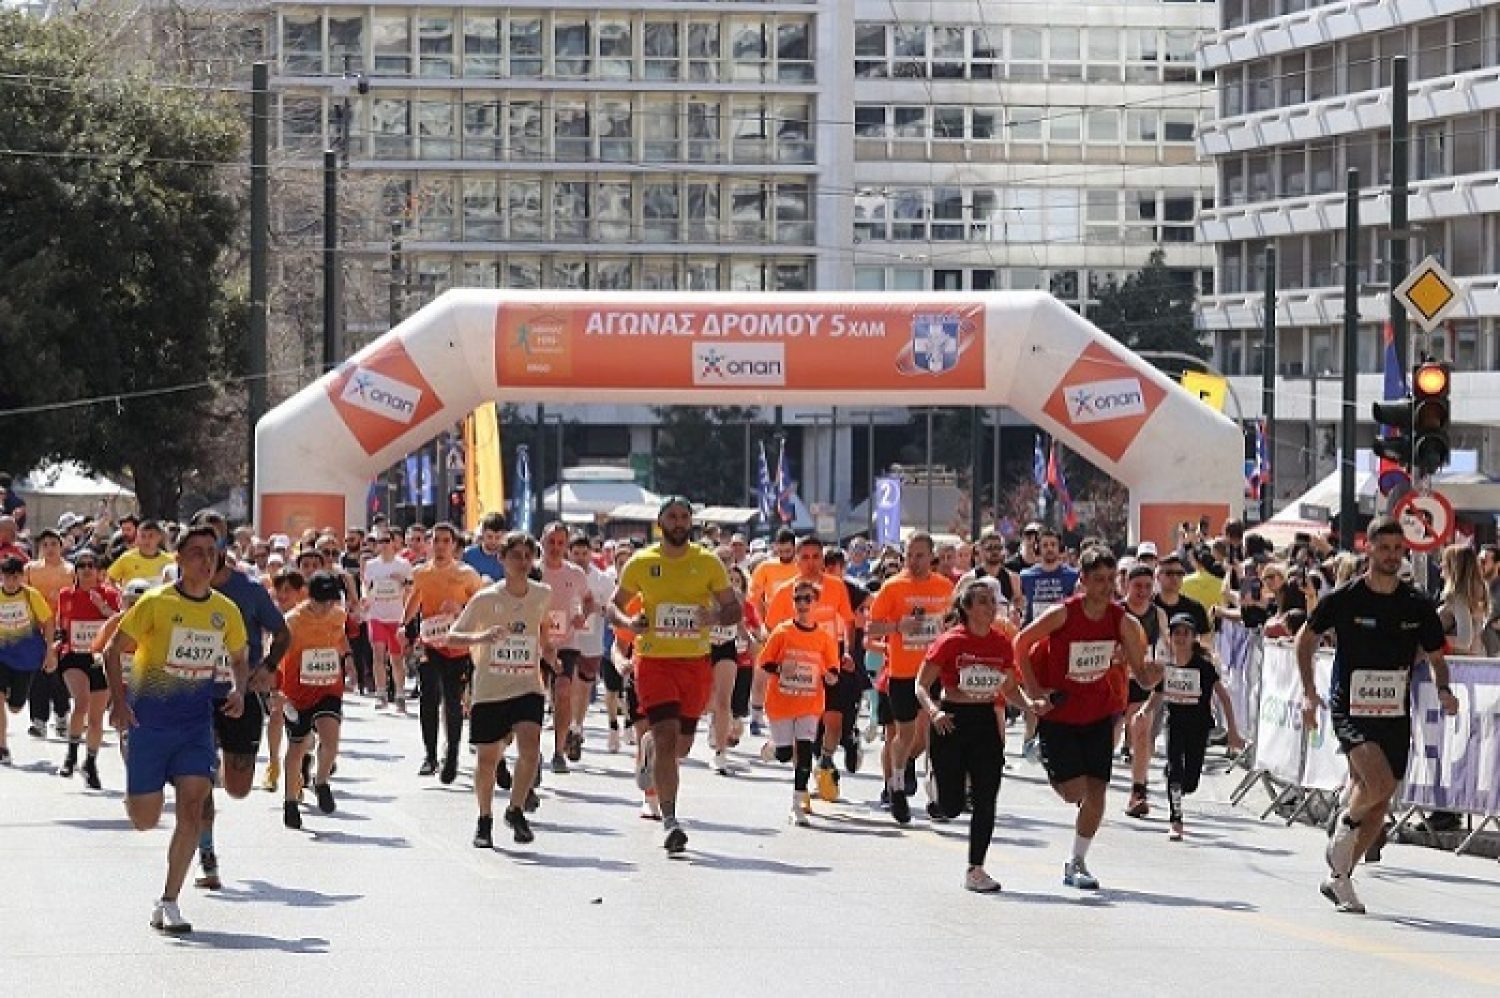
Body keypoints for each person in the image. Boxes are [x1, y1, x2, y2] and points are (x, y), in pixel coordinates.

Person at [1296, 516, 1456, 915]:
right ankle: (1345, 825)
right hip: (1350, 706)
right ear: (1368, 548)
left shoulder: (1417, 604)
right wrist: (1309, 693)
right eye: (1384, 548)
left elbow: (1437, 658)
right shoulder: (1345, 598)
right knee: (1378, 782)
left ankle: (1340, 877)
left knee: (1381, 799)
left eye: (1398, 549)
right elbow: (1305, 640)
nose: (1391, 556)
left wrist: (1444, 690)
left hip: (1394, 711)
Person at [103, 525, 249, 935]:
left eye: (212, 553)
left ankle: (169, 901)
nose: (206, 560)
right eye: (197, 552)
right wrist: (119, 702)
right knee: (145, 819)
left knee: (192, 806)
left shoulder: (226, 611)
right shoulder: (156, 603)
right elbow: (112, 651)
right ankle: (134, 770)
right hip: (148, 725)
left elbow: (240, 657)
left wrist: (238, 689)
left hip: (194, 727)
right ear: (179, 559)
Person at [1014, 545, 1153, 890]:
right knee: (1072, 792)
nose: (1106, 587)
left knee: (1097, 793)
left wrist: (1161, 671)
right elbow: (1021, 643)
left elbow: (1141, 674)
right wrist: (1035, 691)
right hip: (1059, 712)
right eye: (1099, 580)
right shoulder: (1063, 614)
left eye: (1111, 579)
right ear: (1084, 581)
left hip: (1099, 713)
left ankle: (1077, 860)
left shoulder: (1122, 621)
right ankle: (1040, 749)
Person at [610, 497, 741, 854]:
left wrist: (715, 617)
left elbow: (733, 609)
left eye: (684, 517)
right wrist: (629, 623)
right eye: (672, 517)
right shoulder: (641, 562)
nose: (679, 522)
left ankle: (650, 748)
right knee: (668, 737)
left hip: (695, 663)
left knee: (681, 746)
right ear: (660, 522)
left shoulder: (708, 562)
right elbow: (613, 606)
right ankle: (670, 820)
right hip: (654, 662)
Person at [915, 578, 1045, 892]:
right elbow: (921, 685)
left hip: (985, 720)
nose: (991, 606)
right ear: (968, 608)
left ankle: (976, 869)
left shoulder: (1001, 643)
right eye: (984, 601)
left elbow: (1009, 688)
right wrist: (934, 712)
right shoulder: (950, 641)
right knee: (951, 807)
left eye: (993, 601)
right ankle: (938, 783)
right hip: (951, 721)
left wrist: (1029, 704)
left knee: (987, 798)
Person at [448, 532, 555, 846]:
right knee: (487, 759)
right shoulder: (485, 598)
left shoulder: (542, 594)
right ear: (502, 559)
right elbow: (453, 637)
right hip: (491, 688)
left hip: (528, 684)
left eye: (527, 556)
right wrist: (482, 638)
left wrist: (550, 653)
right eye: (516, 556)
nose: (522, 562)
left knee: (530, 748)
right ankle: (484, 819)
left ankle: (516, 809)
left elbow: (542, 629)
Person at [866, 533, 954, 823]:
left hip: (935, 672)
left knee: (935, 733)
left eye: (920, 556)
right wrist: (897, 626)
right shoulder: (893, 587)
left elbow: (953, 622)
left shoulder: (944, 587)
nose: (914, 561)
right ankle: (897, 786)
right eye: (909, 555)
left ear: (931, 557)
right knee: (904, 735)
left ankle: (936, 795)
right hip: (903, 672)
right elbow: (870, 628)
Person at [762, 536, 855, 800]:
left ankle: (824, 762)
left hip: (829, 661)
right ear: (797, 560)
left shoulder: (836, 586)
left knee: (833, 720)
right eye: (805, 557)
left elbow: (848, 621)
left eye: (816, 557)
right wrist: (781, 659)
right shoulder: (787, 592)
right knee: (799, 733)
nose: (811, 562)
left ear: (823, 559)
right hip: (798, 668)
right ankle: (799, 783)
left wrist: (847, 651)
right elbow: (771, 628)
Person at [403, 522, 483, 782]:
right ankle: (430, 755)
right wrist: (404, 627)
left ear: (454, 545)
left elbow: (481, 605)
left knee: (452, 700)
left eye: (445, 541)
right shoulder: (421, 572)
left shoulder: (467, 574)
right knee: (428, 697)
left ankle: (453, 754)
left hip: (457, 647)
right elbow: (414, 600)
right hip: (430, 643)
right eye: (435, 540)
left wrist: (460, 608)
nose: (440, 546)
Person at [757, 578, 839, 826]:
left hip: (810, 704)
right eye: (797, 599)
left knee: (804, 752)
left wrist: (831, 676)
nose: (802, 603)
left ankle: (797, 804)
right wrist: (781, 668)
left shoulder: (824, 637)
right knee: (784, 755)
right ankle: (775, 746)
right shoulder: (783, 632)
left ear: (816, 603)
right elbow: (765, 662)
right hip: (781, 703)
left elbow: (833, 669)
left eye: (807, 599)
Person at [1155, 613, 1242, 839]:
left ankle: (1177, 783)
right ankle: (1176, 819)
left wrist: (1232, 732)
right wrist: (1144, 712)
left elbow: (1224, 698)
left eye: (1186, 633)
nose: (1181, 638)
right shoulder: (1167, 666)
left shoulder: (1204, 667)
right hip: (1174, 724)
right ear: (1170, 637)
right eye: (1177, 633)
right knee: (1175, 768)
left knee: (1191, 782)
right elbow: (1157, 694)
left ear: (1194, 637)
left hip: (1198, 726)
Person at [279, 571, 350, 830]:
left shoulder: (338, 616)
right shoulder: (292, 621)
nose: (327, 606)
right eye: (322, 601)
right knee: (297, 747)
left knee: (331, 740)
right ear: (310, 598)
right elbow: (276, 653)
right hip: (297, 691)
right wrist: (276, 690)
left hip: (329, 686)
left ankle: (321, 782)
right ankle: (290, 801)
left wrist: (349, 660)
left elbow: (341, 640)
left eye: (331, 600)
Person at [52, 550, 119, 786]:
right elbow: (61, 625)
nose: (87, 570)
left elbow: (121, 621)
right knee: (81, 702)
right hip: (73, 655)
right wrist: (56, 644)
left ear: (99, 571)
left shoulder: (110, 594)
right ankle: (71, 756)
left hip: (99, 658)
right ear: (76, 571)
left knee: (96, 717)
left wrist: (103, 608)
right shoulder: (65, 595)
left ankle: (90, 763)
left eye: (91, 565)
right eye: (82, 566)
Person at [1017, 529, 1079, 761]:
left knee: (1061, 694)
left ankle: (1057, 739)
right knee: (1034, 691)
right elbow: (1020, 605)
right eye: (1045, 545)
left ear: (1060, 548)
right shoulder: (1026, 576)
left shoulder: (1072, 576)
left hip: (1061, 643)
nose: (1049, 549)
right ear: (1038, 549)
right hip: (1034, 644)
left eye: (1053, 544)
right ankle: (1029, 737)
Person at [537, 522, 594, 773]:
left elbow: (589, 599)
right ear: (542, 541)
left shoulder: (575, 574)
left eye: (561, 543)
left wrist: (583, 616)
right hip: (537, 643)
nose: (555, 547)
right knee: (536, 695)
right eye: (551, 541)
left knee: (562, 691)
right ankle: (533, 749)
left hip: (566, 642)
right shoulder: (533, 571)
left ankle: (559, 751)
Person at [1121, 563, 1169, 818]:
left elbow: (1166, 646)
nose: (1142, 591)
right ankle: (1092, 785)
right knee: (1111, 734)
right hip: (1115, 680)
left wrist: (1162, 663)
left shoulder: (1157, 614)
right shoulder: (1117, 611)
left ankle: (1138, 792)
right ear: (1126, 585)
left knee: (1141, 731)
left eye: (1148, 587)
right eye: (1137, 586)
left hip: (1143, 681)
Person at [0, 555, 57, 766]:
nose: (11, 582)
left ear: (22, 577)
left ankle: (12, 697)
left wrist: (50, 651)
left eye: (15, 577)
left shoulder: (30, 595)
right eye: (7, 577)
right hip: (2, 654)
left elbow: (48, 621)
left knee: (16, 707)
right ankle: (2, 747)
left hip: (26, 657)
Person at [24, 529, 74, 738]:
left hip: (61, 627)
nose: (49, 548)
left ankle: (61, 712)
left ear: (61, 546)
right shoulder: (30, 569)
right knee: (38, 674)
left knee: (57, 672)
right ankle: (39, 719)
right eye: (45, 544)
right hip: (36, 628)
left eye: (54, 544)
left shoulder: (70, 570)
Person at [362, 529, 414, 711]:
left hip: (396, 616)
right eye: (379, 541)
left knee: (396, 658)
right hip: (376, 615)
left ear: (394, 542)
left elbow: (412, 588)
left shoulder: (403, 564)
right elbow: (366, 586)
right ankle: (381, 694)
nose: (383, 545)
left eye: (386, 541)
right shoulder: (371, 565)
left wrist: (403, 581)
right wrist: (365, 599)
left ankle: (399, 694)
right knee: (378, 654)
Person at [106, 519, 173, 586]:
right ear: (137, 538)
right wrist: (118, 591)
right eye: (143, 536)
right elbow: (109, 579)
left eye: (151, 536)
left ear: (159, 537)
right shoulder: (127, 558)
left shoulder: (169, 560)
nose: (146, 540)